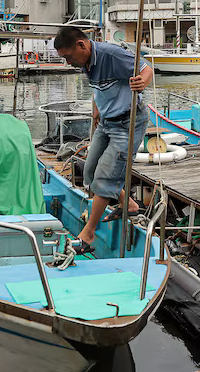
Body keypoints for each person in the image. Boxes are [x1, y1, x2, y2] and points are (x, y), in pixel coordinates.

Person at [53, 26, 152, 248]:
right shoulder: (85, 61)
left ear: (81, 45)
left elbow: (147, 69)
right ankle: (129, 204)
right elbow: (98, 88)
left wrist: (142, 82)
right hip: (107, 121)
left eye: (68, 57)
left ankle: (88, 234)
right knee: (89, 169)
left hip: (128, 122)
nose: (68, 62)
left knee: (105, 178)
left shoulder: (111, 54)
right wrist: (96, 107)